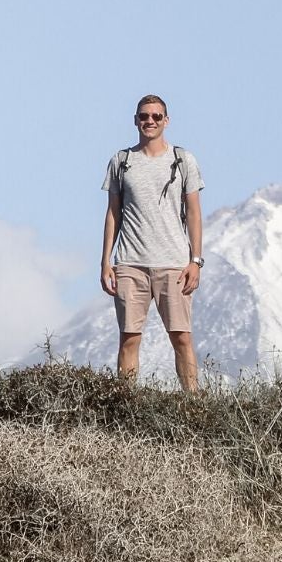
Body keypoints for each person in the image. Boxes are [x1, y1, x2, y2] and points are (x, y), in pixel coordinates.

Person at [100, 94, 205, 391]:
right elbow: (113, 213)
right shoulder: (121, 162)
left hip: (173, 263)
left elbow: (195, 212)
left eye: (156, 116)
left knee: (182, 337)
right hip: (130, 264)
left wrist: (195, 260)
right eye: (144, 116)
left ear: (166, 121)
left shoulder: (183, 160)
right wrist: (106, 261)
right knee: (129, 338)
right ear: (135, 120)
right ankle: (126, 406)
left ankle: (194, 406)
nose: (150, 121)